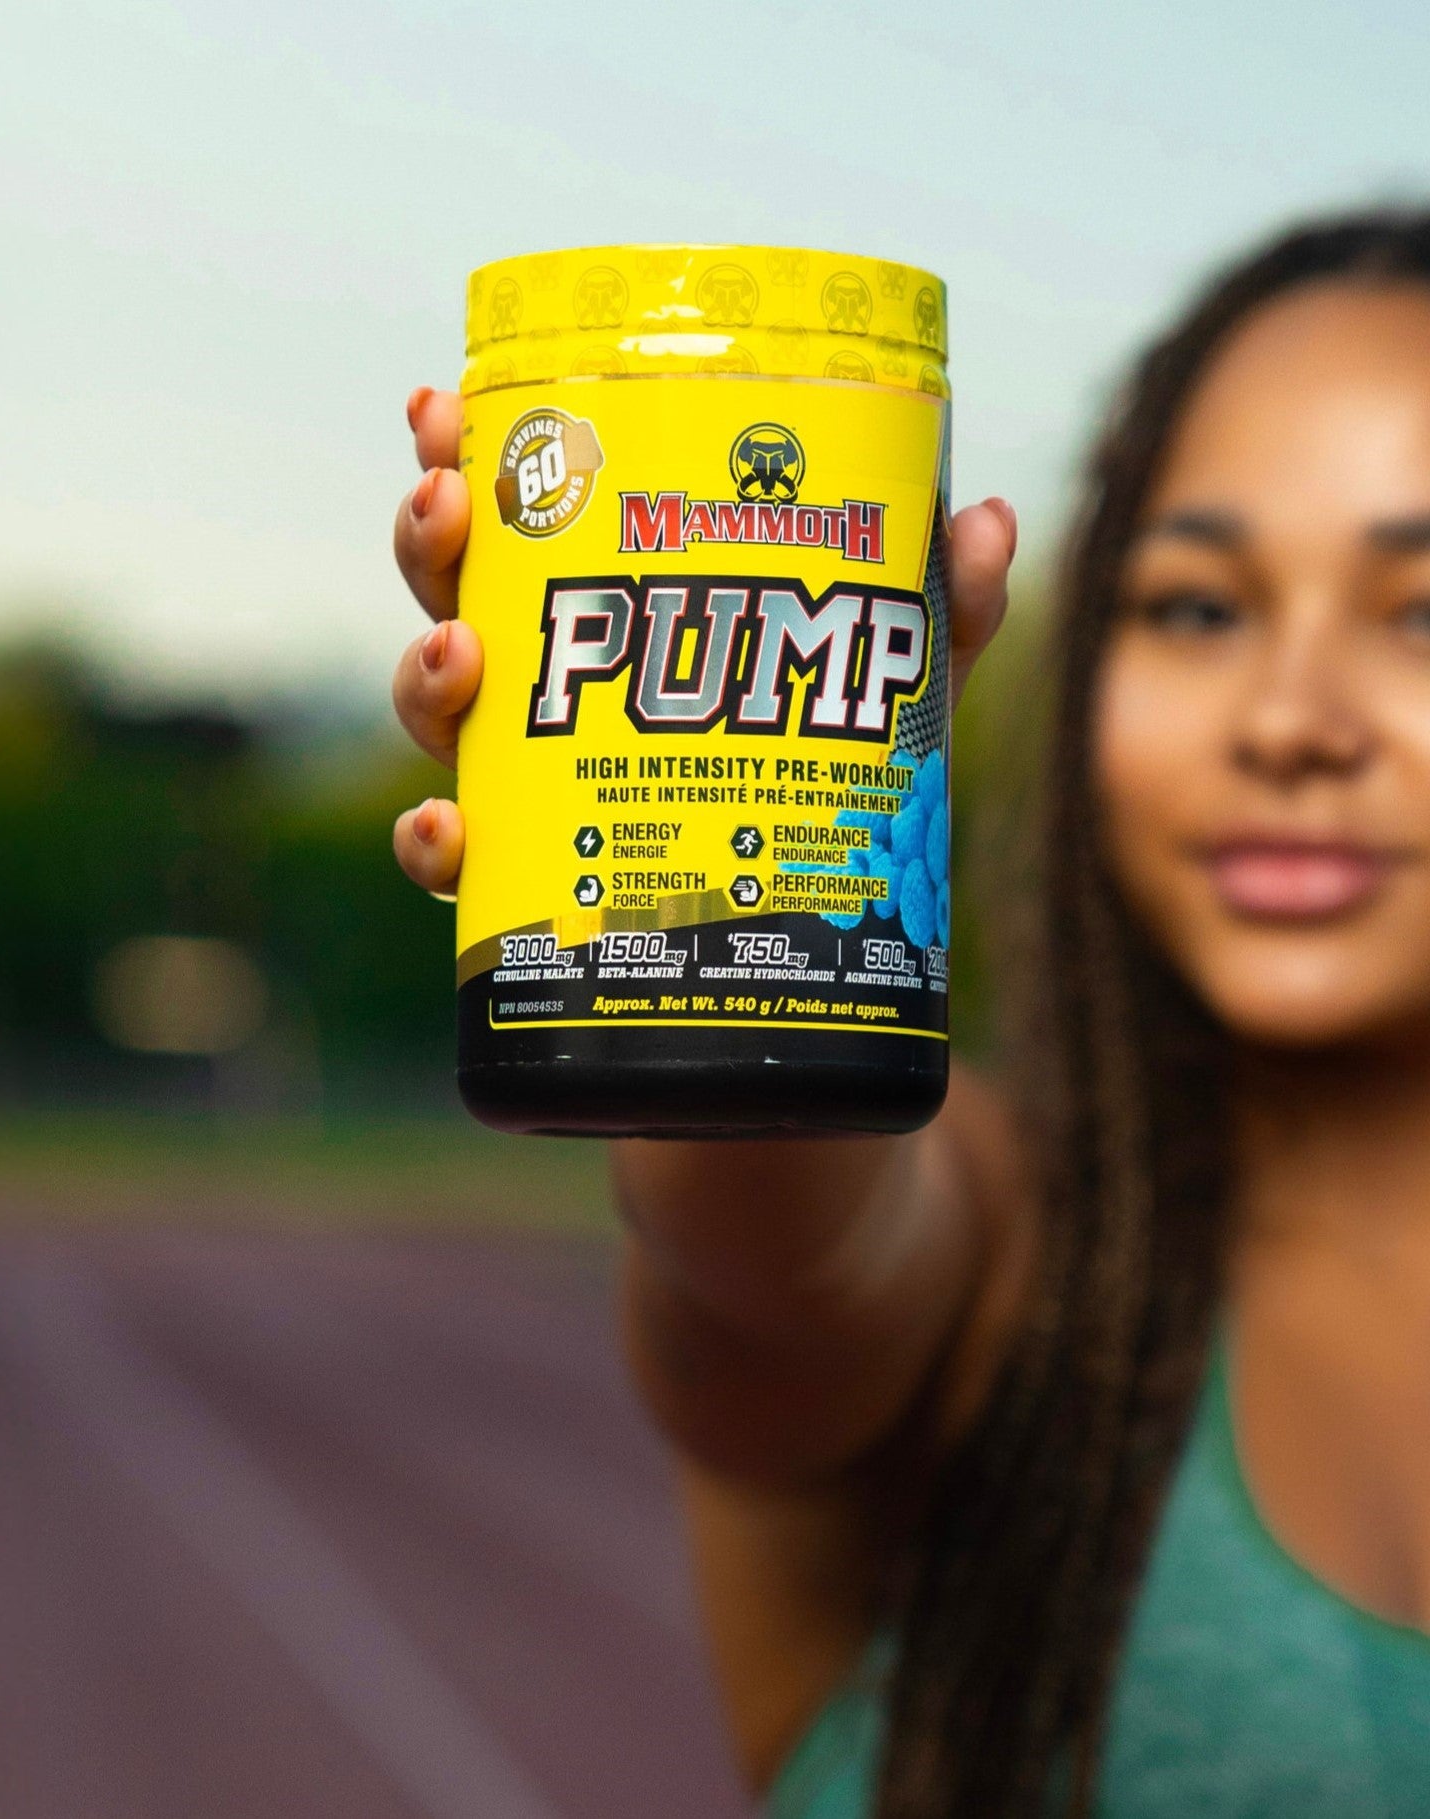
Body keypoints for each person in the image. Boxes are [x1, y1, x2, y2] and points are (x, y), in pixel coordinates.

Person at [388, 209, 1430, 1816]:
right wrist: (712, 868)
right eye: (1200, 608)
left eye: (1420, 611)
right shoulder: (1002, 1249)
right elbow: (782, 1259)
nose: (1293, 721)